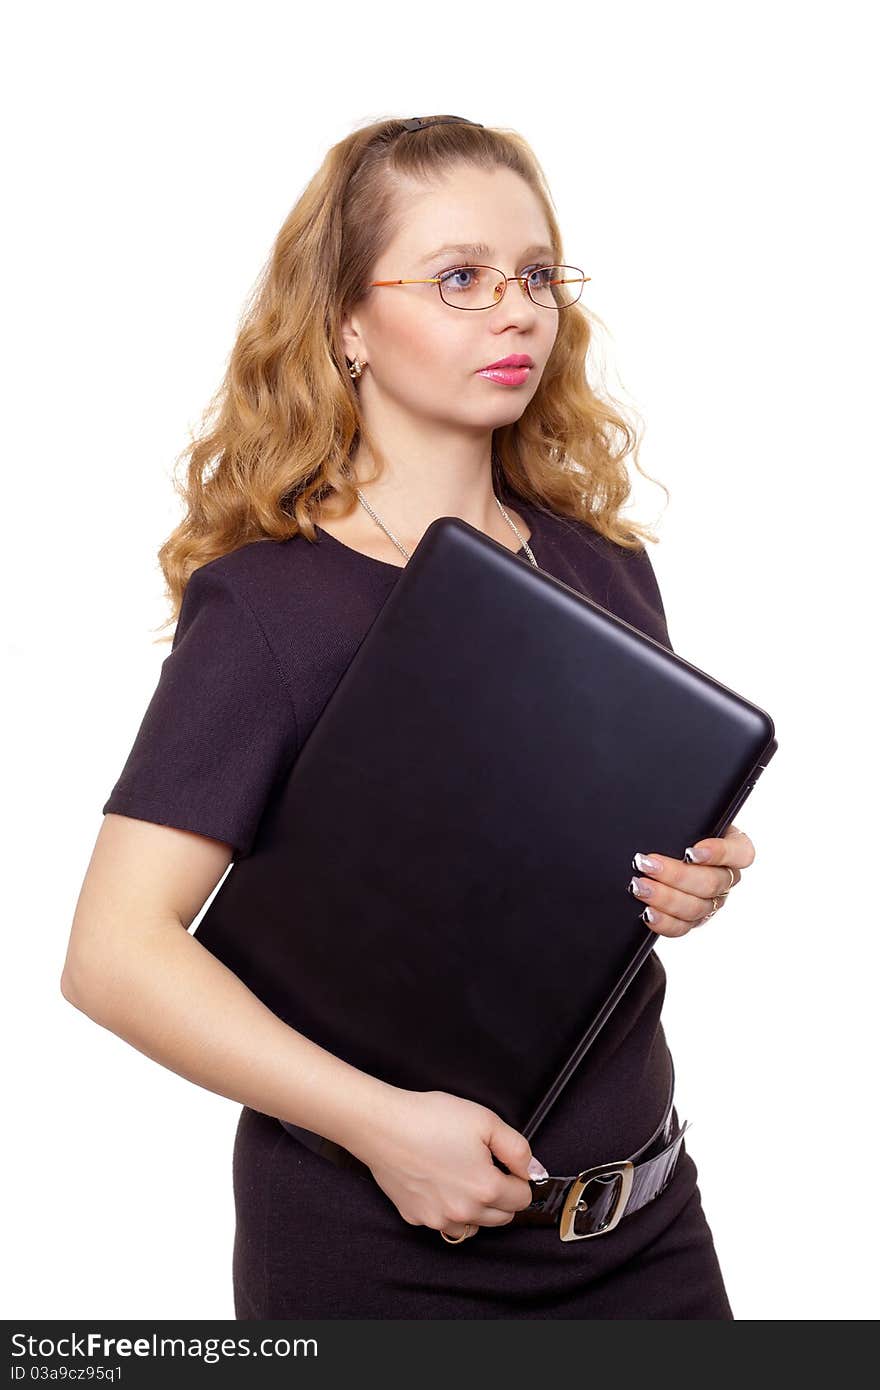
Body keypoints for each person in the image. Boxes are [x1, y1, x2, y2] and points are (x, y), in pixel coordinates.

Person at [61, 114, 754, 1319]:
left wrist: (690, 878)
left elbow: (558, 888)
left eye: (537, 275)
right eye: (459, 278)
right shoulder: (269, 606)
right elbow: (115, 954)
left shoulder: (602, 570)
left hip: (645, 1234)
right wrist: (382, 1128)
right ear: (344, 323)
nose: (517, 310)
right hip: (378, 1263)